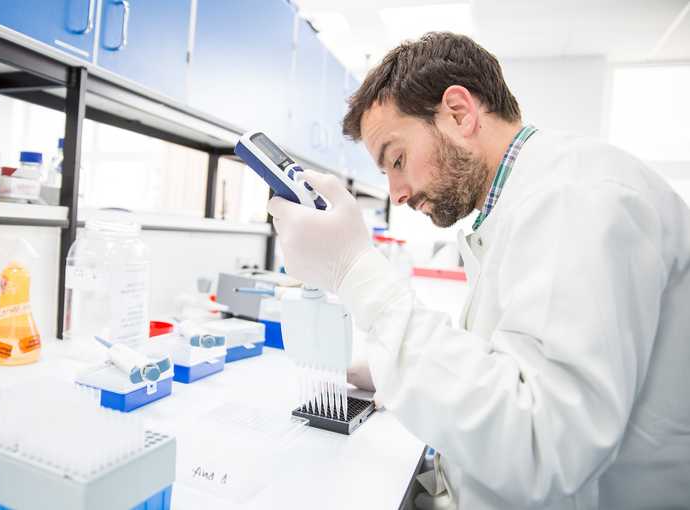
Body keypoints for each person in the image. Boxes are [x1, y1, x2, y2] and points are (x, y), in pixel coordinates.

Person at [267, 32, 690, 509]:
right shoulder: (525, 197)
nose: (397, 193)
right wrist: (396, 367)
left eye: (398, 159)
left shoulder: (576, 198)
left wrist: (355, 271)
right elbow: (513, 361)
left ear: (458, 112)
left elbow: (541, 447)